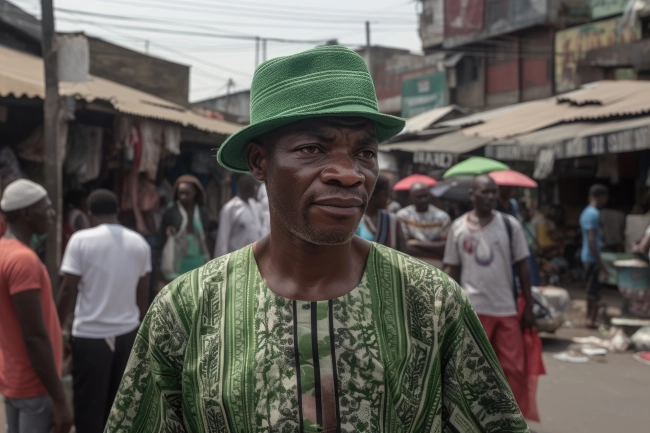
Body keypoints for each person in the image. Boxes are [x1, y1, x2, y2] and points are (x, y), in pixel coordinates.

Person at [106, 46, 527, 433]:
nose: (349, 173)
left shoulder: (433, 304)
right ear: (259, 161)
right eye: (312, 149)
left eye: (365, 152)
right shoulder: (186, 311)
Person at [57, 189, 151, 433]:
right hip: (127, 335)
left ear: (89, 214)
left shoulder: (80, 240)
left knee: (88, 409)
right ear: (117, 212)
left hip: (91, 337)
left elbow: (68, 290)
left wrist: (55, 325)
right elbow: (143, 297)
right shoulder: (139, 243)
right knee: (120, 407)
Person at [443, 174, 536, 417]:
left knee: (512, 369)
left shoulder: (509, 225)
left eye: (494, 192)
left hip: (505, 308)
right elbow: (451, 269)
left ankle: (511, 420)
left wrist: (529, 305)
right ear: (472, 195)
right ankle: (476, 418)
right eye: (484, 192)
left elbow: (523, 267)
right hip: (471, 309)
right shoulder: (458, 227)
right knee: (472, 370)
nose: (490, 197)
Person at [0, 179, 72, 433]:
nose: (52, 214)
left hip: (14, 379)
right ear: (27, 213)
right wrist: (61, 399)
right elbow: (34, 336)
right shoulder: (23, 260)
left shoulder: (4, 251)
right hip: (35, 384)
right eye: (47, 208)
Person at [159, 175, 212, 282]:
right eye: (180, 193)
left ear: (195, 193)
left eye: (187, 193)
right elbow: (161, 237)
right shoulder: (171, 212)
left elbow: (206, 236)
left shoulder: (202, 212)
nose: (183, 196)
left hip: (198, 259)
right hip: (177, 260)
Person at [580, 184, 609, 328]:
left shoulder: (586, 212)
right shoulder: (593, 214)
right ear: (601, 197)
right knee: (594, 291)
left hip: (588, 257)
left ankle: (590, 319)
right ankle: (590, 320)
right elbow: (592, 240)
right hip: (592, 258)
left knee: (591, 290)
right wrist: (601, 264)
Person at [397, 182, 451, 259]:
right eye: (419, 197)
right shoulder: (403, 215)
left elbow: (446, 246)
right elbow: (404, 246)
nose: (423, 200)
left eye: (425, 195)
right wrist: (435, 248)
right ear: (411, 198)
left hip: (436, 264)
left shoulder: (442, 217)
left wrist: (416, 243)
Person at [214, 174, 263, 257]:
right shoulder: (230, 208)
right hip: (237, 258)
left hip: (254, 257)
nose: (255, 190)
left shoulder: (254, 205)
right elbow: (222, 239)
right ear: (244, 189)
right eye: (252, 187)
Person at [355, 174, 406, 250]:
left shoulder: (393, 220)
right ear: (372, 194)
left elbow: (403, 253)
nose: (388, 198)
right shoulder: (356, 220)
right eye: (385, 195)